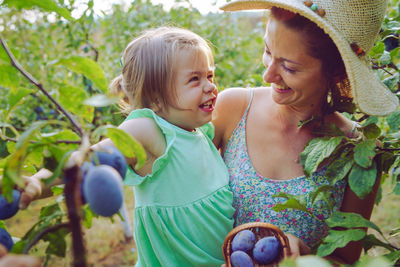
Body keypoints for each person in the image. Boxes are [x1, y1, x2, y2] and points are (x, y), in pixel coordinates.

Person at [15, 27, 235, 267]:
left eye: (210, 76)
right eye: (195, 79)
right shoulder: (150, 132)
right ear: (155, 97)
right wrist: (38, 183)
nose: (210, 87)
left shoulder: (202, 131)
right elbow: (87, 160)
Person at [214, 0, 398, 265]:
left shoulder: (359, 151)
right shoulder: (231, 108)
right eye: (267, 51)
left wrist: (305, 252)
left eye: (289, 67)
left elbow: (346, 259)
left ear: (336, 72)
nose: (267, 75)